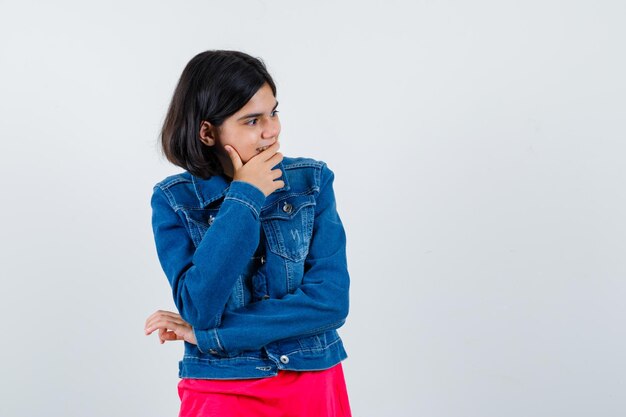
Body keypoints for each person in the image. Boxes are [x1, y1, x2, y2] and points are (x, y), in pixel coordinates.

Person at [143, 50, 351, 417]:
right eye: (252, 120)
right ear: (207, 132)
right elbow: (200, 307)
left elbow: (330, 303)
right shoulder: (173, 201)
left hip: (311, 378)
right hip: (222, 388)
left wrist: (211, 337)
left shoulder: (312, 182)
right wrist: (245, 197)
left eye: (273, 112)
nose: (271, 130)